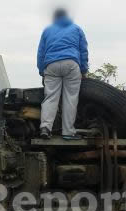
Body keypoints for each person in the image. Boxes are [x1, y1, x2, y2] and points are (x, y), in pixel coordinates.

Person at [37, 9, 89, 140]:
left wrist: (41, 70)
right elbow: (83, 51)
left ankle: (45, 128)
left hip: (51, 65)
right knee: (70, 98)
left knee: (50, 97)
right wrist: (83, 70)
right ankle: (68, 132)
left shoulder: (47, 30)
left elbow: (40, 53)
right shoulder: (77, 29)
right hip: (71, 64)